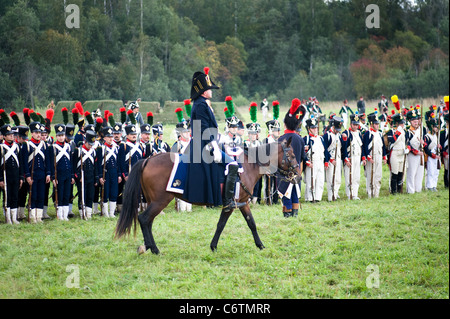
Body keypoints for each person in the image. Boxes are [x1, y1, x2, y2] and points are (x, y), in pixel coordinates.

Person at [183, 67, 244, 212]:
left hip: (207, 143)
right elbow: (204, 129)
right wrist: (214, 147)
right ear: (204, 91)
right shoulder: (200, 105)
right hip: (204, 146)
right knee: (232, 164)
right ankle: (228, 201)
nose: (211, 91)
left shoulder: (202, 103)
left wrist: (220, 138)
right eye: (209, 89)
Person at [277, 98, 306, 217]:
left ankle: (287, 216)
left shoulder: (280, 139)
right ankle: (295, 215)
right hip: (297, 172)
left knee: (286, 196)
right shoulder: (300, 139)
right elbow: (303, 158)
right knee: (295, 195)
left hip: (284, 175)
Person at [22, 122, 52, 223]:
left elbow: (47, 160)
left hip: (42, 174)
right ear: (32, 133)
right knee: (33, 195)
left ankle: (38, 217)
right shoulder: (27, 145)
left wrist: (48, 173)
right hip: (32, 174)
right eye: (36, 132)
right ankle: (32, 216)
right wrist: (27, 176)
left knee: (41, 196)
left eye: (39, 132)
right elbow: (24, 163)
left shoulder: (44, 144)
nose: (38, 134)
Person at [0, 124, 24, 224]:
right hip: (6, 177)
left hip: (15, 176)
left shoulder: (17, 147)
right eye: (9, 134)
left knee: (15, 196)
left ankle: (14, 218)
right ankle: (8, 218)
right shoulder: (1, 147)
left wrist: (21, 177)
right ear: (4, 136)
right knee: (7, 197)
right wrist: (0, 179)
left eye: (12, 134)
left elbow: (21, 163)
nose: (11, 136)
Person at [72, 130, 99, 219]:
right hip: (81, 178)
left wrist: (96, 179)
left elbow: (95, 167)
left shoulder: (93, 152)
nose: (91, 145)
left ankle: (89, 213)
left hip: (91, 177)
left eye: (92, 144)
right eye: (89, 144)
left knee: (90, 195)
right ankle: (82, 213)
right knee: (82, 195)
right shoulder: (78, 151)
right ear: (85, 141)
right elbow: (74, 166)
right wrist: (78, 177)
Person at [51, 124, 74, 221]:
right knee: (59, 194)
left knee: (66, 194)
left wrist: (72, 175)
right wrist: (53, 177)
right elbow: (51, 164)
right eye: (59, 135)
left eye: (62, 135)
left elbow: (71, 162)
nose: (61, 137)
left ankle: (65, 215)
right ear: (56, 136)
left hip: (68, 174)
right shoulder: (53, 147)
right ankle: (60, 215)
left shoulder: (68, 146)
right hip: (59, 175)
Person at [303, 116, 328, 203]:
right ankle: (310, 198)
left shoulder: (320, 138)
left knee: (320, 180)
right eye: (313, 128)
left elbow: (325, 151)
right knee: (310, 181)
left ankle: (318, 197)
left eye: (316, 128)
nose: (315, 130)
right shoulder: (306, 139)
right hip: (311, 162)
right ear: (309, 129)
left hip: (320, 161)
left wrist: (326, 161)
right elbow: (302, 153)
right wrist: (307, 161)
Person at [363, 113, 387, 198]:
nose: (377, 125)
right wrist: (367, 157)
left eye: (377, 124)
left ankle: (376, 193)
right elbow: (365, 146)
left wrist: (384, 156)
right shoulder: (368, 134)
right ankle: (370, 193)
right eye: (375, 124)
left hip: (379, 156)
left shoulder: (380, 134)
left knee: (378, 176)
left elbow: (383, 146)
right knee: (370, 176)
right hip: (371, 157)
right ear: (371, 124)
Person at [98, 126, 121, 218]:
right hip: (105, 173)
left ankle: (111, 212)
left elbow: (118, 162)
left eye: (111, 137)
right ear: (104, 138)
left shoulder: (116, 148)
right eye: (109, 137)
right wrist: (100, 176)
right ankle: (105, 212)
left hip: (114, 173)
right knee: (105, 192)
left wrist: (119, 175)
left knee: (114, 192)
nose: (111, 139)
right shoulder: (101, 149)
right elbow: (98, 164)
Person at [342, 114, 366, 200]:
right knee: (349, 178)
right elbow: (344, 148)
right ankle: (350, 195)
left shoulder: (359, 133)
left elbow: (361, 146)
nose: (355, 126)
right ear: (351, 124)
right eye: (354, 124)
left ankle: (355, 194)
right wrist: (346, 159)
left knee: (356, 177)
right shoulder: (346, 133)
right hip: (350, 158)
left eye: (357, 124)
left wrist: (363, 157)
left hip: (357, 157)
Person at [323, 116, 344, 202]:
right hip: (331, 160)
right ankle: (331, 196)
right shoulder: (327, 135)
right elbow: (324, 149)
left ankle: (335, 194)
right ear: (333, 126)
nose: (338, 131)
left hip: (338, 159)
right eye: (337, 129)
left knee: (338, 179)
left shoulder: (339, 135)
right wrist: (329, 159)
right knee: (331, 179)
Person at [405, 108, 426, 194]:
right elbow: (407, 144)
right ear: (410, 121)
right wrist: (416, 152)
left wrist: (423, 143)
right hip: (412, 154)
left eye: (417, 119)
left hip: (421, 154)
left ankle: (418, 188)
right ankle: (410, 190)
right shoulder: (407, 131)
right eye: (413, 120)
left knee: (420, 173)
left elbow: (425, 142)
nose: (416, 122)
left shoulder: (421, 130)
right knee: (411, 173)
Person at [386, 113, 407, 194]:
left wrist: (407, 148)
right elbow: (392, 140)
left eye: (403, 123)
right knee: (394, 173)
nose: (403, 125)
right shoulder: (391, 132)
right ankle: (393, 191)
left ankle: (399, 190)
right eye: (401, 123)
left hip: (402, 153)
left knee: (400, 173)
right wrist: (398, 131)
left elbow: (406, 141)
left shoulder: (403, 131)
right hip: (395, 153)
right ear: (396, 123)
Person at [263, 118, 281, 205]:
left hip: (278, 165)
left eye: (278, 130)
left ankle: (276, 199)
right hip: (269, 165)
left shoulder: (280, 141)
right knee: (268, 183)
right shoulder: (266, 141)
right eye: (276, 130)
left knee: (277, 183)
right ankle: (267, 199)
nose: (278, 132)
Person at [424, 117, 440, 191]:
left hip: (437, 155)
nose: (436, 128)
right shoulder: (427, 136)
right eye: (435, 127)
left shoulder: (436, 136)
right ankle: (430, 186)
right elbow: (426, 149)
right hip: (431, 155)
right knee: (431, 171)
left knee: (436, 172)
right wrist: (433, 155)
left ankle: (434, 185)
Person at [440, 114, 449, 188]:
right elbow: (441, 143)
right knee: (446, 168)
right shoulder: (443, 132)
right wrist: (444, 152)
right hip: (446, 152)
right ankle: (447, 184)